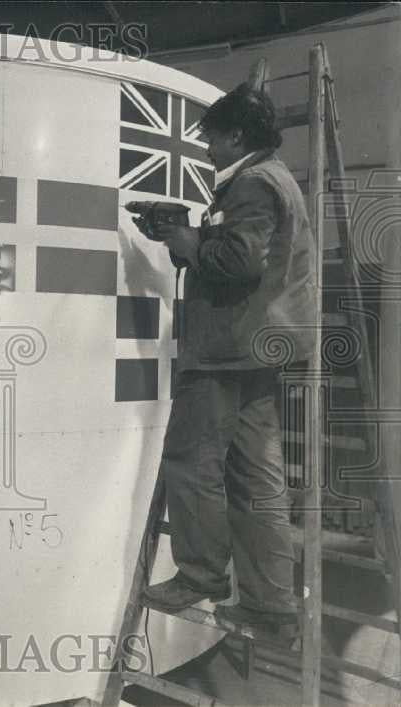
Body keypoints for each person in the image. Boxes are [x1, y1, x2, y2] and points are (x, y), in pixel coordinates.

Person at [143, 83, 319, 633]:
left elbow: (239, 261)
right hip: (257, 354)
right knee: (256, 479)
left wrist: (186, 241)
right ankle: (271, 604)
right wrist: (191, 235)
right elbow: (250, 255)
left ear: (236, 135)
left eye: (211, 138)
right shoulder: (276, 179)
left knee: (192, 463)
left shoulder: (250, 183)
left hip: (224, 351)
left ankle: (200, 574)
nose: (205, 148)